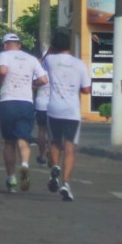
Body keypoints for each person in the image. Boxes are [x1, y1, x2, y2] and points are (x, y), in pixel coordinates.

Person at [0, 33, 48, 193]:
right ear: (19, 45)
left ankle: (11, 179)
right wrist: (31, 84)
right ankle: (24, 165)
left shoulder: (3, 55)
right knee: (23, 139)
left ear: (5, 45)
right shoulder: (31, 59)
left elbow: (2, 71)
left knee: (9, 142)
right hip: (26, 103)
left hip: (8, 102)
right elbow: (44, 80)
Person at [43, 31, 92, 202]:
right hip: (72, 111)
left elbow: (41, 71)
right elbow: (86, 90)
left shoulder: (50, 60)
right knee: (70, 147)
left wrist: (50, 50)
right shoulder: (79, 64)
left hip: (54, 109)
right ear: (70, 45)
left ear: (54, 46)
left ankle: (55, 166)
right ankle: (66, 184)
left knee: (55, 142)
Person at [33, 52, 51, 165]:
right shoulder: (58, 70)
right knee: (53, 133)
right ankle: (52, 152)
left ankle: (43, 156)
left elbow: (33, 85)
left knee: (41, 131)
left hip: (41, 104)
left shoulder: (39, 71)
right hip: (55, 105)